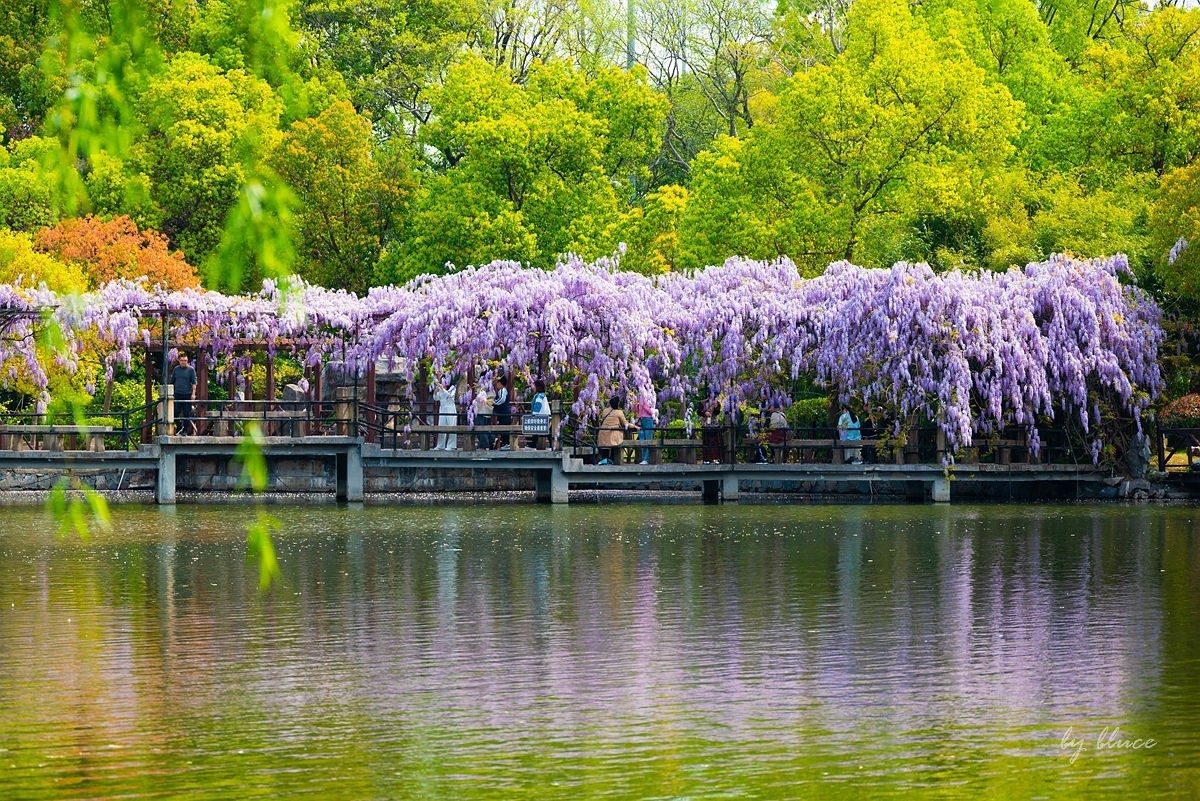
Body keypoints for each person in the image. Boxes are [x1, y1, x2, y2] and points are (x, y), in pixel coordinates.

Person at [597, 395, 637, 465]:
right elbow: (625, 424)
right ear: (618, 403)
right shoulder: (619, 412)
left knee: (606, 445)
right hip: (614, 434)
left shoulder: (605, 411)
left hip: (603, 433)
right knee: (614, 443)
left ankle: (605, 459)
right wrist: (635, 426)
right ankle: (611, 459)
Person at [170, 353, 198, 436]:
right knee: (175, 412)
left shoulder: (191, 370)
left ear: (187, 361)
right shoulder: (176, 369)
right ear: (179, 361)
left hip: (187, 394)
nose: (184, 362)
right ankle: (179, 426)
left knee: (187, 413)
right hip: (177, 394)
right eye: (182, 360)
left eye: (185, 360)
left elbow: (194, 383)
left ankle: (185, 430)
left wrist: (193, 394)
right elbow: (172, 382)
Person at [433, 378, 458, 450]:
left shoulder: (452, 388)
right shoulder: (440, 389)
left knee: (451, 426)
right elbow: (436, 398)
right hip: (442, 409)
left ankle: (451, 446)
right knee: (441, 426)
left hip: (450, 408)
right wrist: (435, 393)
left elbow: (450, 396)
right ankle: (440, 445)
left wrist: (442, 389)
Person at [633, 391, 657, 465]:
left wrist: (644, 404)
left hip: (648, 420)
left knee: (647, 439)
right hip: (641, 420)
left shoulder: (650, 399)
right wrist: (635, 404)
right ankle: (643, 459)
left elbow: (651, 412)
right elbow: (634, 410)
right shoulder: (640, 399)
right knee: (642, 439)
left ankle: (646, 459)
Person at [701, 398, 723, 464]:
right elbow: (698, 412)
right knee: (706, 442)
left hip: (715, 425)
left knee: (716, 442)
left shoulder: (717, 403)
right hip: (705, 425)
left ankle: (717, 459)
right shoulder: (702, 402)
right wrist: (704, 413)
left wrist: (716, 407)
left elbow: (717, 412)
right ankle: (706, 459)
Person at [529, 379, 550, 449]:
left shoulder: (539, 396)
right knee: (543, 430)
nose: (533, 388)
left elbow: (538, 405)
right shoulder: (542, 395)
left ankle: (533, 444)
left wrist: (534, 414)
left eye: (534, 386)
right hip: (545, 415)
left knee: (540, 429)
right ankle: (533, 444)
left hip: (541, 415)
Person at [493, 376, 511, 450]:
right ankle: (505, 443)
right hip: (504, 412)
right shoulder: (502, 390)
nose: (496, 385)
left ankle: (506, 444)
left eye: (497, 383)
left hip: (504, 412)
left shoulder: (502, 390)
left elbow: (502, 399)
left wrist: (493, 402)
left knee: (504, 427)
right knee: (503, 427)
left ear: (500, 383)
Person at [475, 382, 495, 450]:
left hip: (482, 411)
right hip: (486, 411)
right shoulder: (490, 387)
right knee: (485, 429)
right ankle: (489, 443)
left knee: (481, 429)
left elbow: (481, 398)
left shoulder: (486, 386)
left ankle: (484, 446)